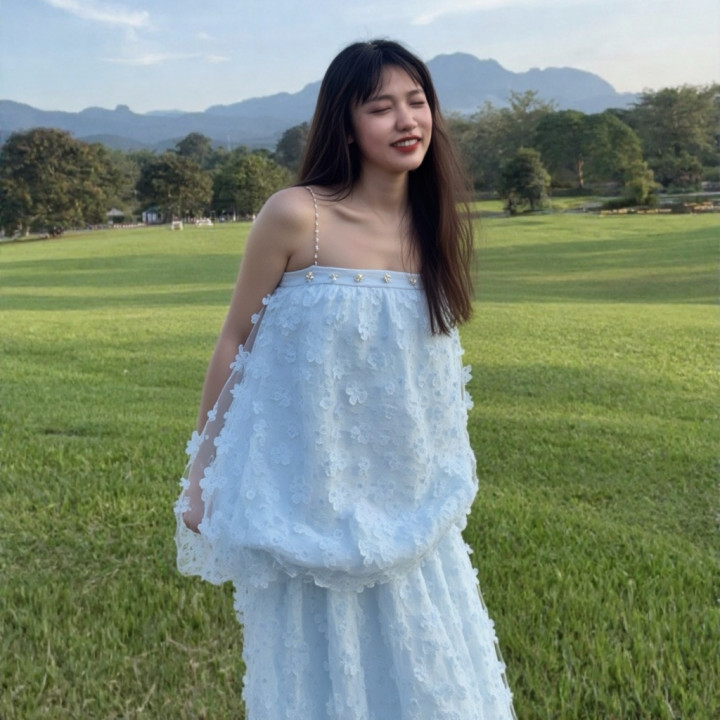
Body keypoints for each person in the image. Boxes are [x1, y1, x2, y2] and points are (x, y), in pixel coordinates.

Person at [175, 39, 516, 719]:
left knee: (438, 686)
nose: (406, 120)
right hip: (311, 501)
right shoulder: (297, 216)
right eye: (381, 107)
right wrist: (201, 472)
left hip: (412, 505)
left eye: (417, 102)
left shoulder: (432, 226)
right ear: (347, 125)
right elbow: (237, 339)